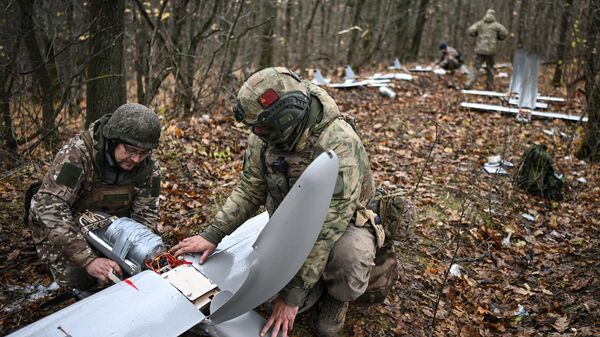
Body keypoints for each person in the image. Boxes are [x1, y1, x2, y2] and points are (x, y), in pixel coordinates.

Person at [170, 67, 376, 337]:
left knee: (349, 256)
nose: (256, 132)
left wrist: (291, 299)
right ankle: (310, 287)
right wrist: (214, 234)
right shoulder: (265, 135)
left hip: (341, 224)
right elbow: (250, 187)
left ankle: (336, 300)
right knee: (264, 297)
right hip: (290, 220)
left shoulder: (338, 145)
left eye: (261, 126)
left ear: (285, 117)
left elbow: (325, 231)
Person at [27, 103, 162, 290]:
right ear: (114, 140)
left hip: (112, 227)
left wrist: (136, 252)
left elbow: (146, 215)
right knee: (81, 279)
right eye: (130, 151)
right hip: (68, 224)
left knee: (149, 263)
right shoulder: (78, 154)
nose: (136, 159)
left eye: (143, 153)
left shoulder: (147, 169)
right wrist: (88, 260)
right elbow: (50, 207)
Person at [464, 9, 508, 90]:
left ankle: (469, 83)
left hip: (480, 49)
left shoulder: (480, 24)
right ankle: (489, 86)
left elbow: (471, 31)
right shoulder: (496, 25)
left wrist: (477, 34)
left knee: (476, 67)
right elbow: (504, 33)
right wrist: (498, 37)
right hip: (491, 50)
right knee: (490, 68)